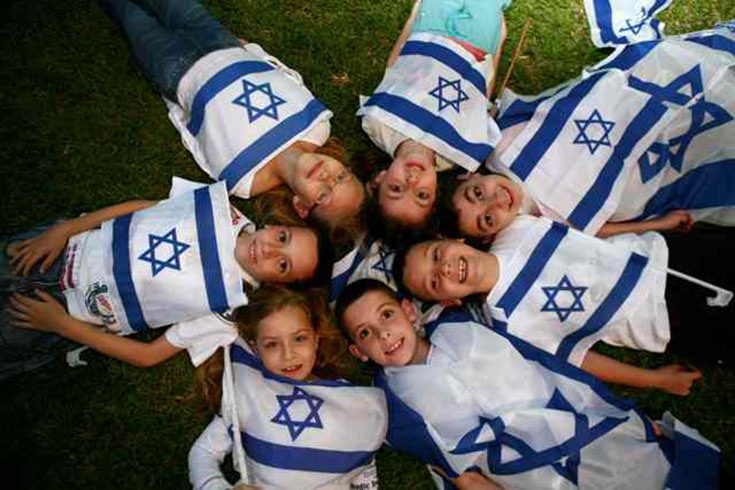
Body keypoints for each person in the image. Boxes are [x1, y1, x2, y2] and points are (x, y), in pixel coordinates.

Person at [336, 279, 720, 489]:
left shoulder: (461, 326)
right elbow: (458, 469)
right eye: (367, 333)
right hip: (525, 469)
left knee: (643, 465)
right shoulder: (396, 406)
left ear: (408, 311)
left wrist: (612, 405)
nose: (385, 334)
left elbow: (544, 364)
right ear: (360, 352)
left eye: (387, 315)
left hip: (571, 420)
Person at [2, 179, 332, 379]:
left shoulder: (230, 308)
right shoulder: (219, 209)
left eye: (283, 265)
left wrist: (62, 326)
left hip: (66, 312)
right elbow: (144, 209)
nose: (272, 250)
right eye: (283, 238)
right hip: (62, 251)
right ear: (278, 226)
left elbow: (149, 356)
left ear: (278, 284)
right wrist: (64, 229)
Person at [98, 0, 366, 234]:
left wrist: (175, 99)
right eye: (341, 177)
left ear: (301, 206)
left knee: (130, 17)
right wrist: (252, 51)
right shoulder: (318, 125)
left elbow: (197, 141)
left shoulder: (244, 181)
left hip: (176, 72)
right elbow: (287, 79)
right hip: (220, 42)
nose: (327, 179)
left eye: (323, 195)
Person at [391, 215, 730, 394]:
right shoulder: (506, 324)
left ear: (452, 240)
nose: (445, 268)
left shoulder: (518, 227)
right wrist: (655, 381)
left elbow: (590, 231)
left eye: (436, 255)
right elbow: (581, 358)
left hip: (668, 255)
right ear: (449, 300)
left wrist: (655, 223)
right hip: (663, 320)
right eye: (435, 281)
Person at [473, 23, 735, 239]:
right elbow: (596, 229)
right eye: (488, 218)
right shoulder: (536, 225)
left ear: (467, 178)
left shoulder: (497, 146)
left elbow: (566, 107)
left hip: (613, 116)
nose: (495, 200)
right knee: (708, 133)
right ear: (491, 235)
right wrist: (661, 224)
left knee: (681, 76)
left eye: (477, 193)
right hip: (636, 175)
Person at [189, 285, 386, 489]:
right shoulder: (249, 392)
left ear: (316, 339)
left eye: (299, 339)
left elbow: (362, 465)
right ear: (255, 348)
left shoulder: (348, 400)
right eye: (272, 344)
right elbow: (203, 452)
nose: (288, 354)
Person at [357, 0, 509, 238]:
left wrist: (411, 23)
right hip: (477, 45)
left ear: (380, 179)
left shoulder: (378, 124)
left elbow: (395, 69)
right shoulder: (456, 153)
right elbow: (481, 96)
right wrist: (497, 46)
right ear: (436, 193)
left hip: (429, 30)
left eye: (396, 188)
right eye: (422, 195)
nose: (412, 180)